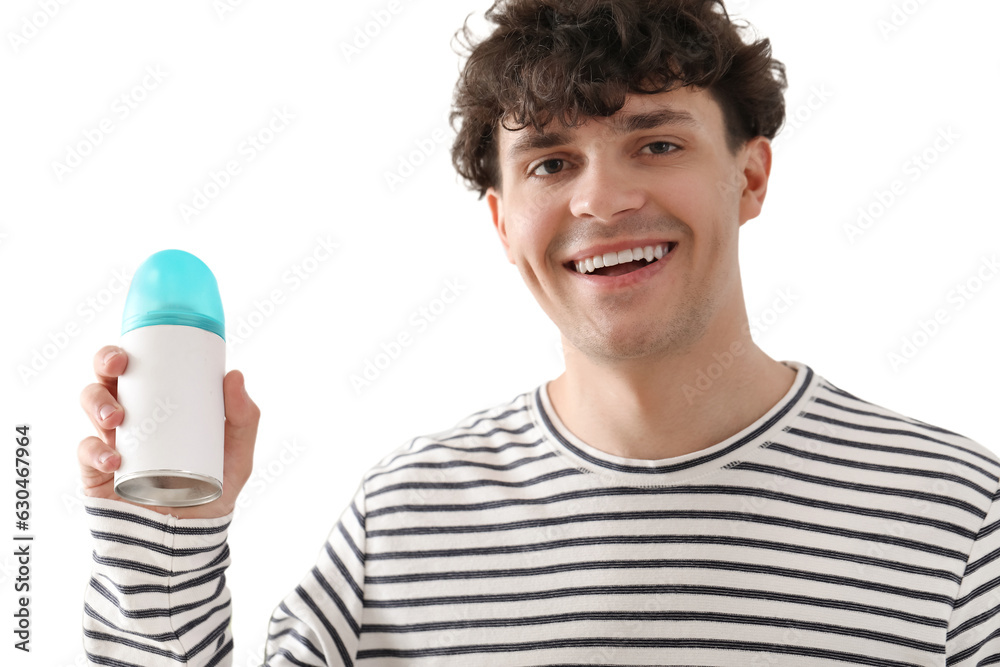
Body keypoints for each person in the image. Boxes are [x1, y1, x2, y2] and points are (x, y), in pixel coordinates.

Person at [78, 0, 1000, 664]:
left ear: (751, 176)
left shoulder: (961, 521)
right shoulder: (401, 522)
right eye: (552, 162)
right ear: (502, 220)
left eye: (658, 142)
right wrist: (168, 546)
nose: (602, 198)